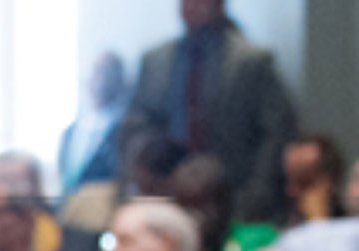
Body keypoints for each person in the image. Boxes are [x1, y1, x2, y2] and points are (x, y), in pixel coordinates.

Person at [122, 0, 297, 222]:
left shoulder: (250, 62)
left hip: (231, 193)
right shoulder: (156, 61)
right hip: (167, 191)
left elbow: (277, 132)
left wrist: (257, 193)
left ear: (219, 5)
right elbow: (137, 126)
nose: (191, 6)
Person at [59, 52, 128, 198]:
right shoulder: (70, 131)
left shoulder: (126, 128)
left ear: (120, 81)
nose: (100, 83)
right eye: (95, 73)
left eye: (106, 74)